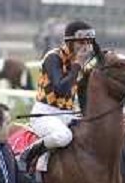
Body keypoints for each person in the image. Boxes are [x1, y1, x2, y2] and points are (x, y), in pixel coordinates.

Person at [17, 20, 97, 171]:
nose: (86, 47)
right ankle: (28, 154)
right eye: (82, 42)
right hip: (45, 114)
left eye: (89, 42)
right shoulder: (53, 57)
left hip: (68, 113)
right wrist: (77, 65)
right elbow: (61, 89)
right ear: (69, 41)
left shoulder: (82, 65)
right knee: (63, 136)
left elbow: (82, 95)